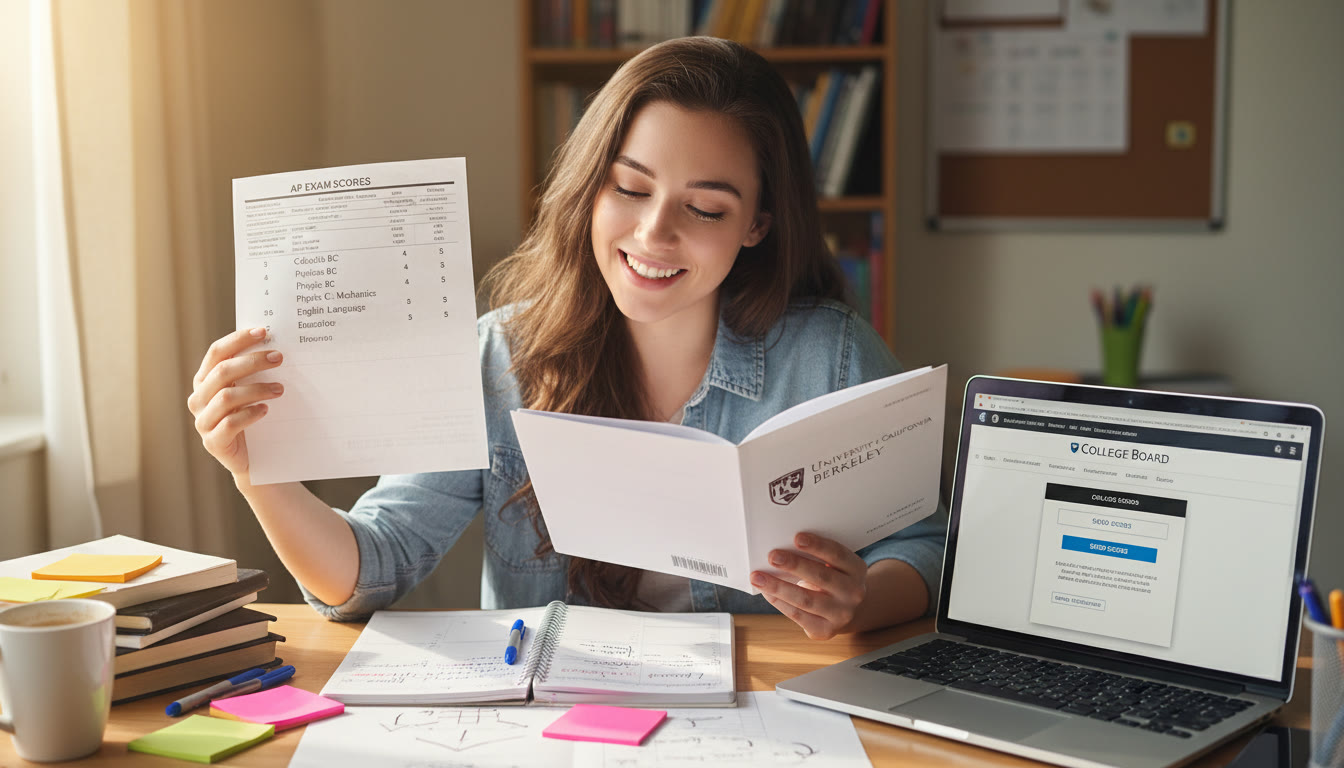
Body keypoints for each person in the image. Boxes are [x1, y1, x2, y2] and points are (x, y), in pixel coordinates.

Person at [187, 36, 946, 640]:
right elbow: (368, 569)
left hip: (757, 722)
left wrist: (858, 602)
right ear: (591, 187)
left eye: (706, 209)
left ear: (757, 225)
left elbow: (927, 547)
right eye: (630, 188)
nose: (655, 234)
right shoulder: (499, 358)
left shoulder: (831, 354)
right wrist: (260, 473)